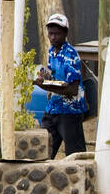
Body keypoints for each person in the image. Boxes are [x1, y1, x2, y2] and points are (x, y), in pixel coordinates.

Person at [34, 13, 88, 159]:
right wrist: (45, 76)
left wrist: (46, 86)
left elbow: (72, 89)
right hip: (53, 108)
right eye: (50, 34)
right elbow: (53, 74)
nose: (53, 37)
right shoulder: (52, 51)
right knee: (43, 152)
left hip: (70, 111)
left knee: (75, 155)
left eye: (57, 34)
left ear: (65, 33)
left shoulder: (71, 55)